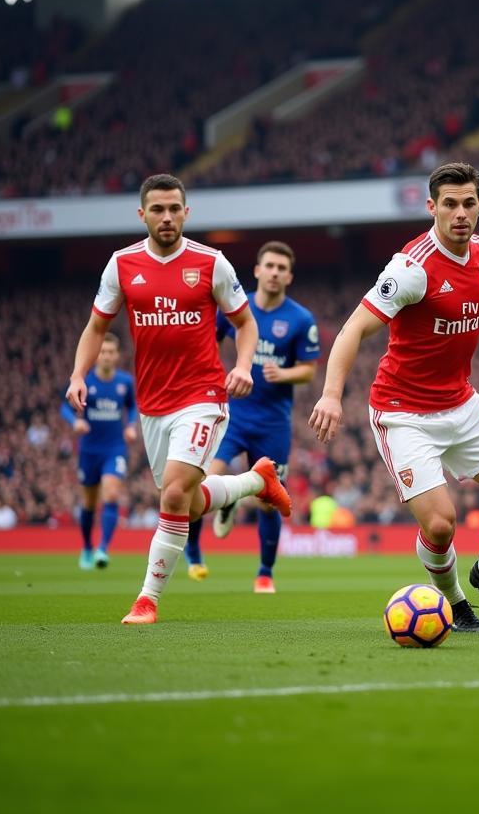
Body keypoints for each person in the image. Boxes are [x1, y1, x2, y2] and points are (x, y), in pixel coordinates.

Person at [310, 162, 479, 632]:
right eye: (449, 204)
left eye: (468, 203)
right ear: (432, 207)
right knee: (440, 526)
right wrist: (331, 394)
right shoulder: (412, 268)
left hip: (461, 404)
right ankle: (455, 601)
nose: (460, 213)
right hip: (403, 414)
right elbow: (354, 329)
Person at [66, 173, 292, 625]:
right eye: (157, 210)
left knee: (172, 494)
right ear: (142, 214)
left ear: (186, 212)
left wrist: (242, 366)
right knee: (186, 504)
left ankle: (147, 599)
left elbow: (246, 324)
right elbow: (97, 327)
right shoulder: (122, 265)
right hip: (153, 405)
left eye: (174, 209)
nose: (166, 217)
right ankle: (255, 481)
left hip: (203, 395)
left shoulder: (212, 264)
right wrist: (78, 374)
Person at [184, 241, 320, 592]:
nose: (274, 272)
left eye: (281, 268)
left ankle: (265, 573)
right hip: (231, 416)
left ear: (289, 275)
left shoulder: (300, 319)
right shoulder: (233, 306)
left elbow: (308, 370)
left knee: (268, 500)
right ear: (257, 270)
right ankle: (195, 553)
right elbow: (208, 346)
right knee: (198, 484)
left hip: (273, 423)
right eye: (269, 266)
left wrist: (284, 374)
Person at [60, 332, 138, 569]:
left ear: (117, 356)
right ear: (96, 356)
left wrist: (131, 426)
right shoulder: (86, 382)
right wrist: (75, 422)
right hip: (89, 450)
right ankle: (86, 547)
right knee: (89, 504)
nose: (106, 356)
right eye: (102, 352)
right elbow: (65, 406)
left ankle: (103, 548)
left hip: (114, 448)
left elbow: (134, 405)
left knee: (112, 494)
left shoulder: (125, 382)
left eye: (110, 352)